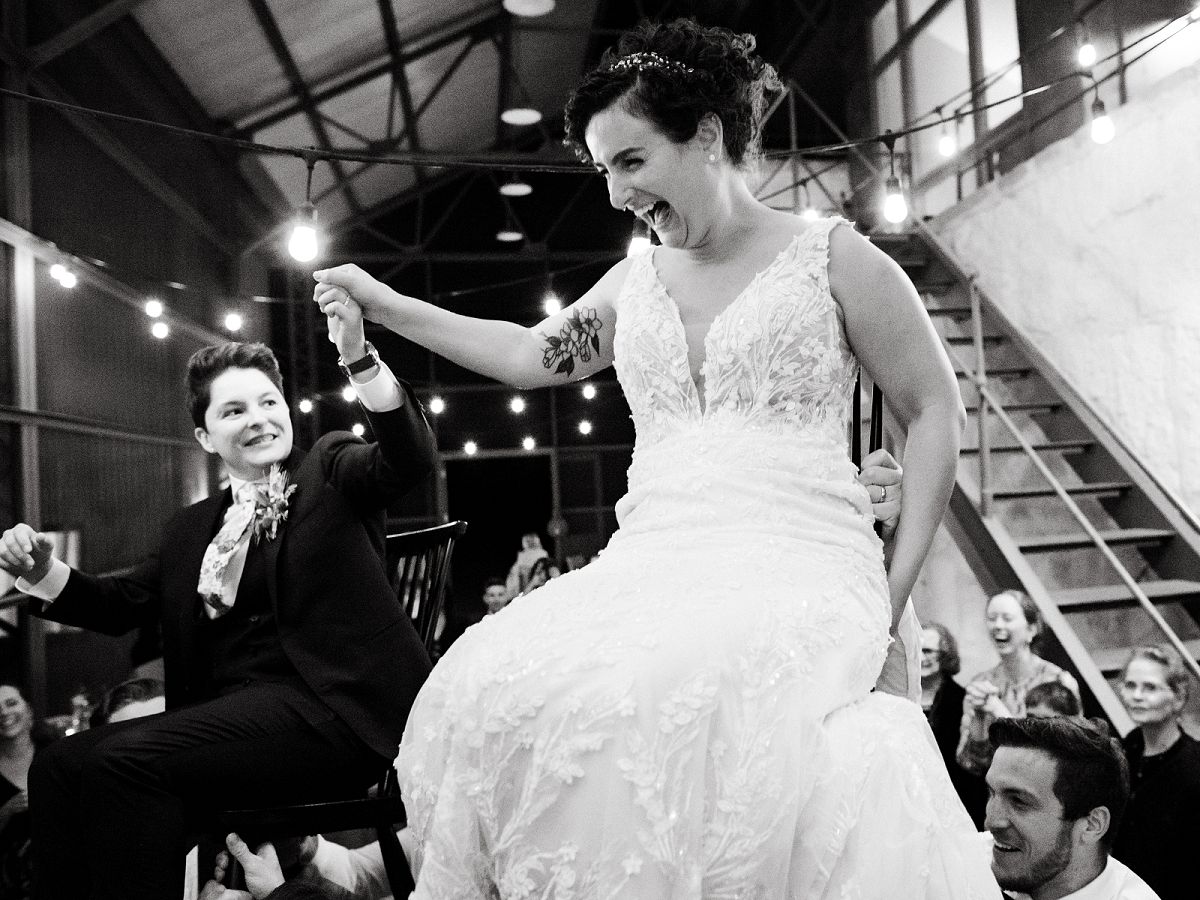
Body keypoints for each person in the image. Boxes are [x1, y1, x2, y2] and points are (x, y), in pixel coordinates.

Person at [313, 17, 993, 898]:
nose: (614, 194)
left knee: (677, 685)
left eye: (630, 161)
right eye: (603, 170)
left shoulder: (834, 257)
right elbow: (529, 353)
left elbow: (934, 409)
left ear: (706, 134)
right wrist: (385, 304)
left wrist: (890, 595)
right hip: (656, 557)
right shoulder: (635, 281)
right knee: (485, 679)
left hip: (799, 557)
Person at [0, 297, 437, 900]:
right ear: (206, 435)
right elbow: (119, 603)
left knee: (120, 763)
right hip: (229, 724)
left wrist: (359, 360)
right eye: (234, 411)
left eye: (268, 403)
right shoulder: (190, 529)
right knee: (56, 768)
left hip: (334, 713)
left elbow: (408, 458)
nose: (258, 419)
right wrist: (44, 571)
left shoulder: (331, 470)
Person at [985, 716, 1159, 900]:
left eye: (1019, 801)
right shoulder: (966, 859)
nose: (991, 822)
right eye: (992, 793)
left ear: (1092, 825)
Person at [958, 589, 1080, 777]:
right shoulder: (981, 683)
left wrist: (1000, 712)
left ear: (1031, 629)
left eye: (1007, 618)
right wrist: (978, 721)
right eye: (991, 618)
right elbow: (970, 763)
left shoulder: (1059, 681)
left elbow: (1068, 754)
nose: (998, 625)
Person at [1111, 645, 1200, 900]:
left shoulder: (1193, 766)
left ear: (1179, 697)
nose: (1137, 696)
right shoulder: (1120, 753)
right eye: (1130, 685)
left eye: (1150, 687)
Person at [921, 622, 988, 827]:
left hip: (956, 800)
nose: (921, 657)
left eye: (928, 651)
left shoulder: (962, 700)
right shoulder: (897, 696)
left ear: (945, 655)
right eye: (916, 649)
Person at [0, 684, 36, 899]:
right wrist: (6, 811)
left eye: (11, 703)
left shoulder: (55, 754)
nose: (4, 713)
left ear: (29, 710)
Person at [504, 532, 549, 598]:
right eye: (528, 540)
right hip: (521, 581)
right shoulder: (521, 555)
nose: (530, 542)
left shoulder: (542, 553)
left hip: (535, 579)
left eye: (532, 540)